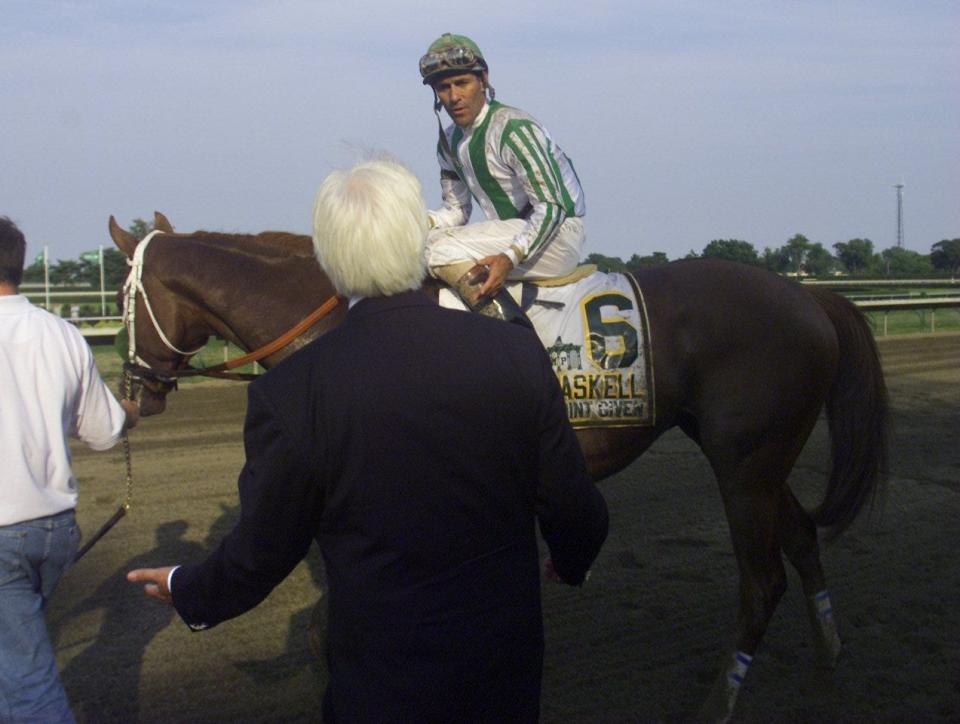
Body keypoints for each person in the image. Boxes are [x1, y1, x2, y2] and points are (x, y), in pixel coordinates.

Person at [128, 158, 608, 722]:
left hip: (380, 684)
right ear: (419, 243)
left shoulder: (289, 393)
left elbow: (263, 552)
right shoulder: (513, 351)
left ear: (328, 258)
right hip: (504, 675)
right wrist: (570, 561)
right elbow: (578, 511)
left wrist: (190, 588)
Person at [0, 215, 139, 722]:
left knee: (29, 685)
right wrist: (130, 413)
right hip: (54, 532)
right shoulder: (62, 334)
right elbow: (104, 432)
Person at [420, 33, 587, 324]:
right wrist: (408, 224)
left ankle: (509, 331)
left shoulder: (512, 127)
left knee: (436, 248)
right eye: (444, 87)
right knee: (418, 243)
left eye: (462, 83)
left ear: (483, 80)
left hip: (557, 237)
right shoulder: (448, 142)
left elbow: (552, 207)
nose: (454, 96)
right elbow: (457, 211)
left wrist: (510, 257)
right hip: (511, 233)